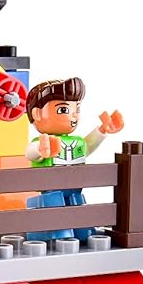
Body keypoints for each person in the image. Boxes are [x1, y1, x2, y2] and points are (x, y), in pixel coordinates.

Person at [25, 77, 124, 242]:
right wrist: (40, 150)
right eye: (64, 110)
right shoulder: (43, 141)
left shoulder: (77, 141)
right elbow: (30, 153)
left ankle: (83, 232)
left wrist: (102, 130)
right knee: (56, 212)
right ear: (37, 114)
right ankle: (61, 236)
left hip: (75, 190)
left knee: (79, 211)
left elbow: (87, 147)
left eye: (76, 109)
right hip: (52, 192)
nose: (73, 116)